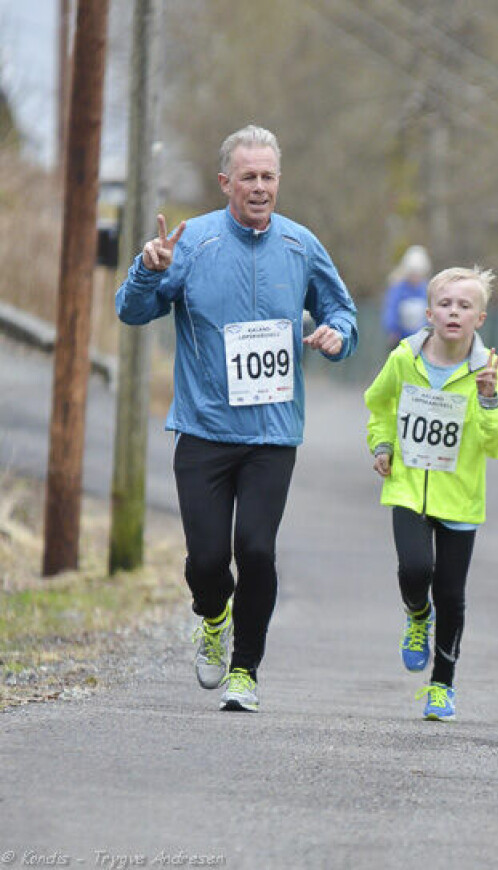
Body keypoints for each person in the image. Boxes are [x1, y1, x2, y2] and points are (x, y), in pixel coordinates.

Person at [115, 125, 358, 712]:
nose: (258, 187)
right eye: (247, 177)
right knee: (206, 561)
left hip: (273, 434)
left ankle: (245, 670)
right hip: (202, 429)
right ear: (226, 183)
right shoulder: (192, 241)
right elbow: (133, 311)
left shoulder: (301, 245)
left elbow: (342, 311)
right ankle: (213, 615)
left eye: (268, 176)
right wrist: (148, 270)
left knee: (255, 550)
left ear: (279, 181)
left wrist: (336, 335)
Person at [364, 266, 498, 720]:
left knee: (451, 593)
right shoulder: (403, 358)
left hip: (460, 496)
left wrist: (488, 399)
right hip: (408, 486)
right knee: (415, 570)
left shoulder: (489, 371)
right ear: (429, 312)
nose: (454, 313)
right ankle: (416, 615)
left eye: (465, 306)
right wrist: (383, 444)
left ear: (481, 319)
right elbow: (379, 404)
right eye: (446, 305)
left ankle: (442, 687)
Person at [381, 244, 431, 347]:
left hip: (423, 341)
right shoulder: (397, 290)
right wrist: (392, 330)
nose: (415, 277)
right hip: (401, 340)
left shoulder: (426, 289)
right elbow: (391, 311)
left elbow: (431, 312)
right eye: (413, 273)